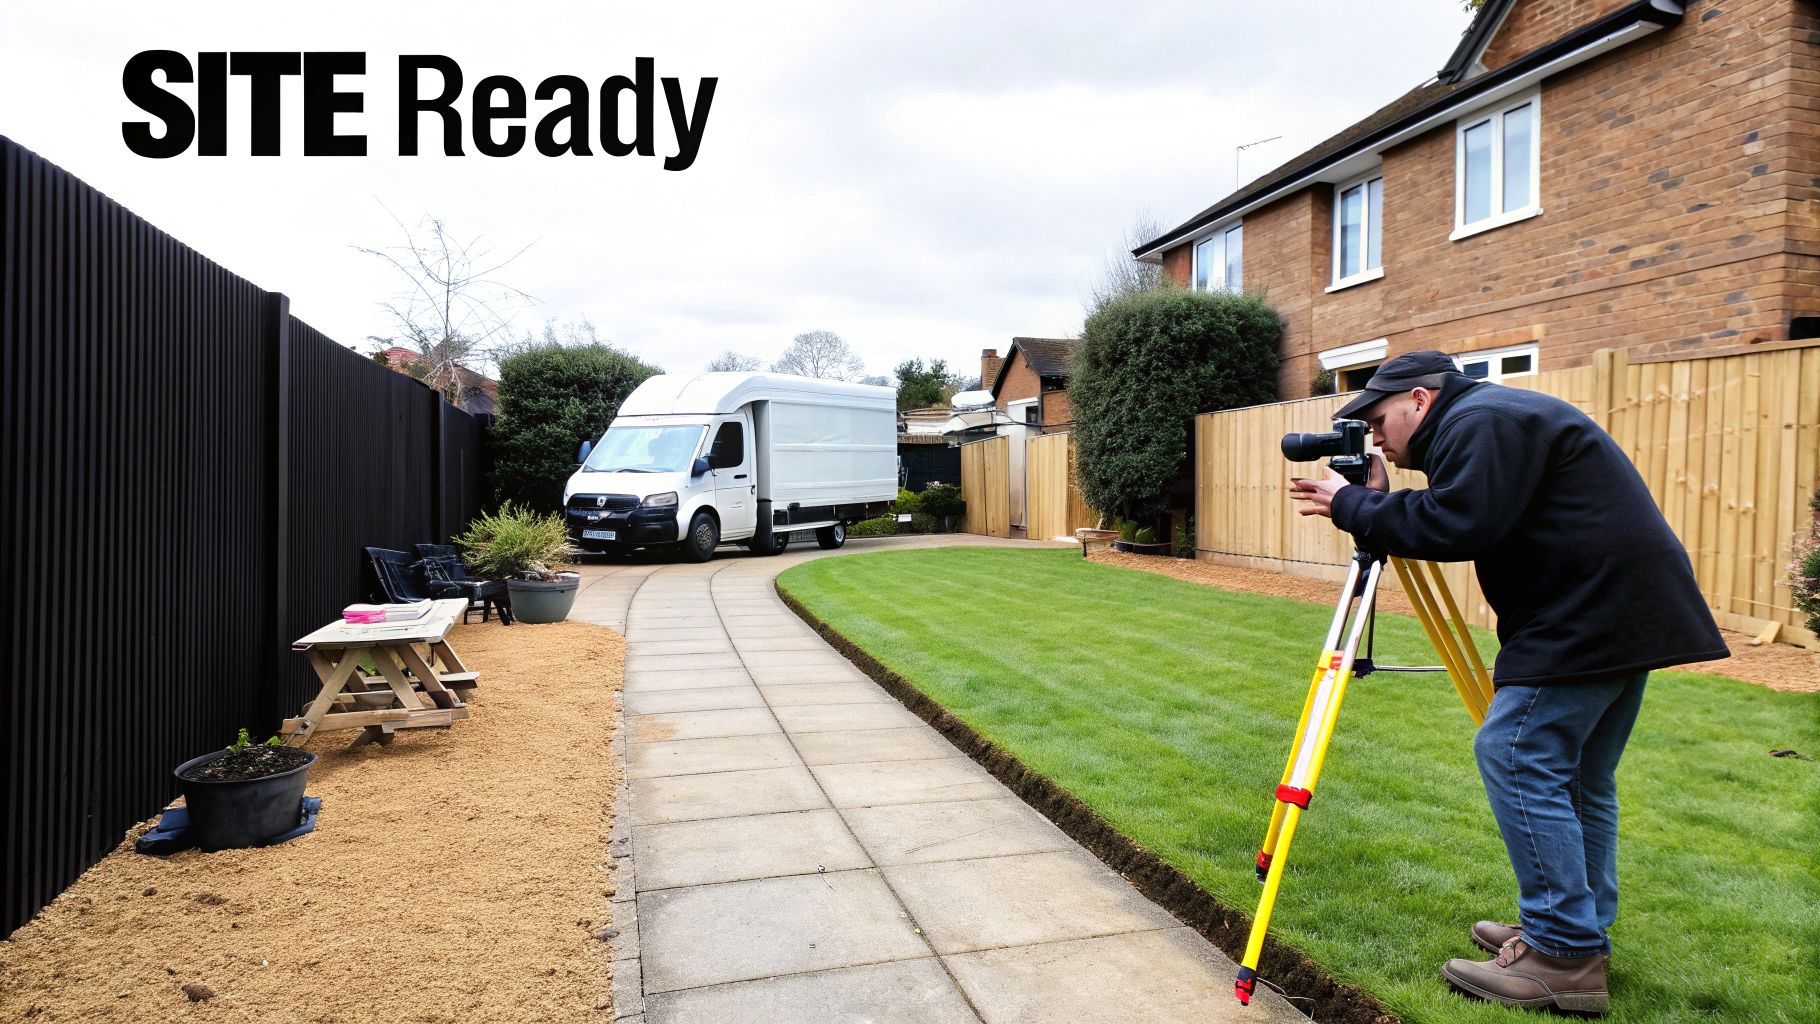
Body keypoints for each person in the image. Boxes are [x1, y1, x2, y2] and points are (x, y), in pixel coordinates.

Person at [1288, 350, 1727, 1016]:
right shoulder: (1489, 418)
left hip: (1586, 613)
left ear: (1420, 399)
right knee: (1577, 775)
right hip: (1619, 608)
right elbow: (1465, 510)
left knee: (1516, 752)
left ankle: (1562, 956)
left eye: (1378, 420)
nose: (1374, 437)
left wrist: (1352, 505)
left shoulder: (1480, 420)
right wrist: (1379, 501)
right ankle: (1576, 932)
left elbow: (1459, 524)